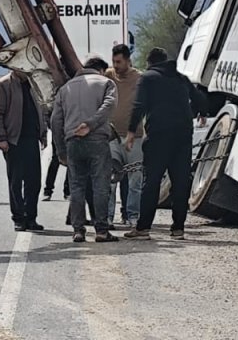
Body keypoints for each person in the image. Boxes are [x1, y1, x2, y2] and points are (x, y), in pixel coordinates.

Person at [125, 47, 208, 240]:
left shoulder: (148, 78)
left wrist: (131, 131)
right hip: (183, 136)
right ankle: (178, 228)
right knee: (180, 182)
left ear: (149, 62)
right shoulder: (180, 78)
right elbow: (199, 97)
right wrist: (201, 112)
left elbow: (139, 105)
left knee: (151, 182)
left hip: (159, 136)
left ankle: (143, 228)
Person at [51, 55, 118, 243]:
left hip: (73, 141)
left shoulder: (65, 89)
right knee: (100, 185)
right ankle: (101, 230)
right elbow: (109, 105)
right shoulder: (106, 83)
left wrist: (61, 150)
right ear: (101, 70)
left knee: (77, 186)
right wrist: (91, 124)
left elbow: (56, 121)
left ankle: (78, 230)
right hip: (97, 140)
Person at [0, 69, 48, 232]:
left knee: (34, 181)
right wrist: (1, 138)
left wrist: (43, 134)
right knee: (16, 181)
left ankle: (31, 217)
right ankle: (18, 217)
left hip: (32, 138)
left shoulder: (33, 83)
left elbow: (41, 109)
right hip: (13, 140)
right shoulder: (4, 84)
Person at [104, 43, 145, 228]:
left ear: (128, 60)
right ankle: (108, 217)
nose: (116, 65)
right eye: (114, 62)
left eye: (119, 62)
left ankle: (132, 215)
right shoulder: (108, 75)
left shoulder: (139, 79)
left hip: (134, 137)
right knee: (110, 180)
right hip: (112, 136)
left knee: (135, 179)